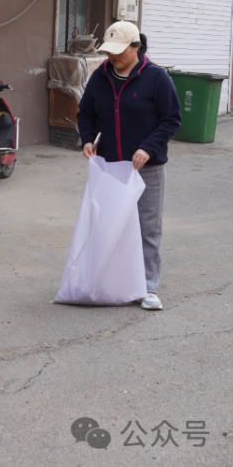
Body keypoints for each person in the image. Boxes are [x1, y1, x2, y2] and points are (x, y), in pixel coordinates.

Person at [76, 20, 181, 311]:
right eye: (109, 51)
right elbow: (85, 113)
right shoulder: (101, 77)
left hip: (146, 168)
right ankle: (112, 281)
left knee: (147, 227)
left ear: (136, 47)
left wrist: (148, 148)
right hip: (110, 166)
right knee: (110, 226)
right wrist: (87, 139)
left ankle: (147, 287)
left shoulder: (157, 78)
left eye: (119, 51)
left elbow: (171, 119)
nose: (113, 57)